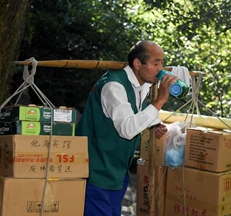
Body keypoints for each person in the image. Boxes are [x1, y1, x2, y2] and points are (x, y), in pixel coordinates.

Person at [75, 40, 180, 216]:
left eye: (162, 62)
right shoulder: (113, 86)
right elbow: (127, 129)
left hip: (116, 169)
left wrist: (154, 124)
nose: (161, 68)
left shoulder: (142, 86)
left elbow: (135, 113)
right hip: (94, 169)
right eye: (156, 63)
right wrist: (160, 99)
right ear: (138, 64)